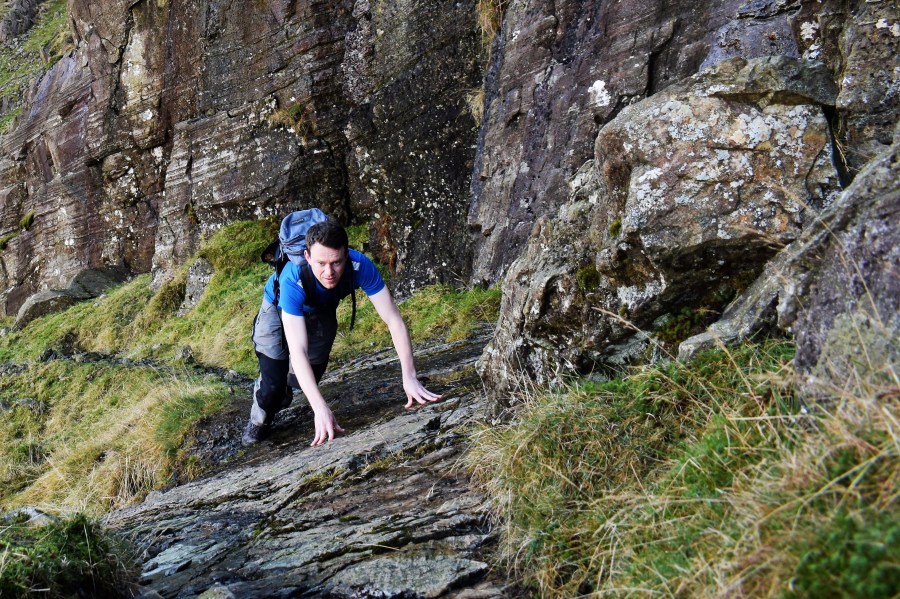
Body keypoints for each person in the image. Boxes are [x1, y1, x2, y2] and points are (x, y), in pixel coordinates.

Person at [242, 218, 441, 446]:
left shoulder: (360, 266)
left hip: (321, 308)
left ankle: (282, 392)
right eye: (321, 264)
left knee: (304, 379)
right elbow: (298, 350)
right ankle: (259, 419)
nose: (329, 272)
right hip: (278, 309)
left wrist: (410, 376)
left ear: (346, 254)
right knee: (272, 386)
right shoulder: (293, 278)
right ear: (307, 257)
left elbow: (393, 320)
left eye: (336, 263)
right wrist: (320, 408)